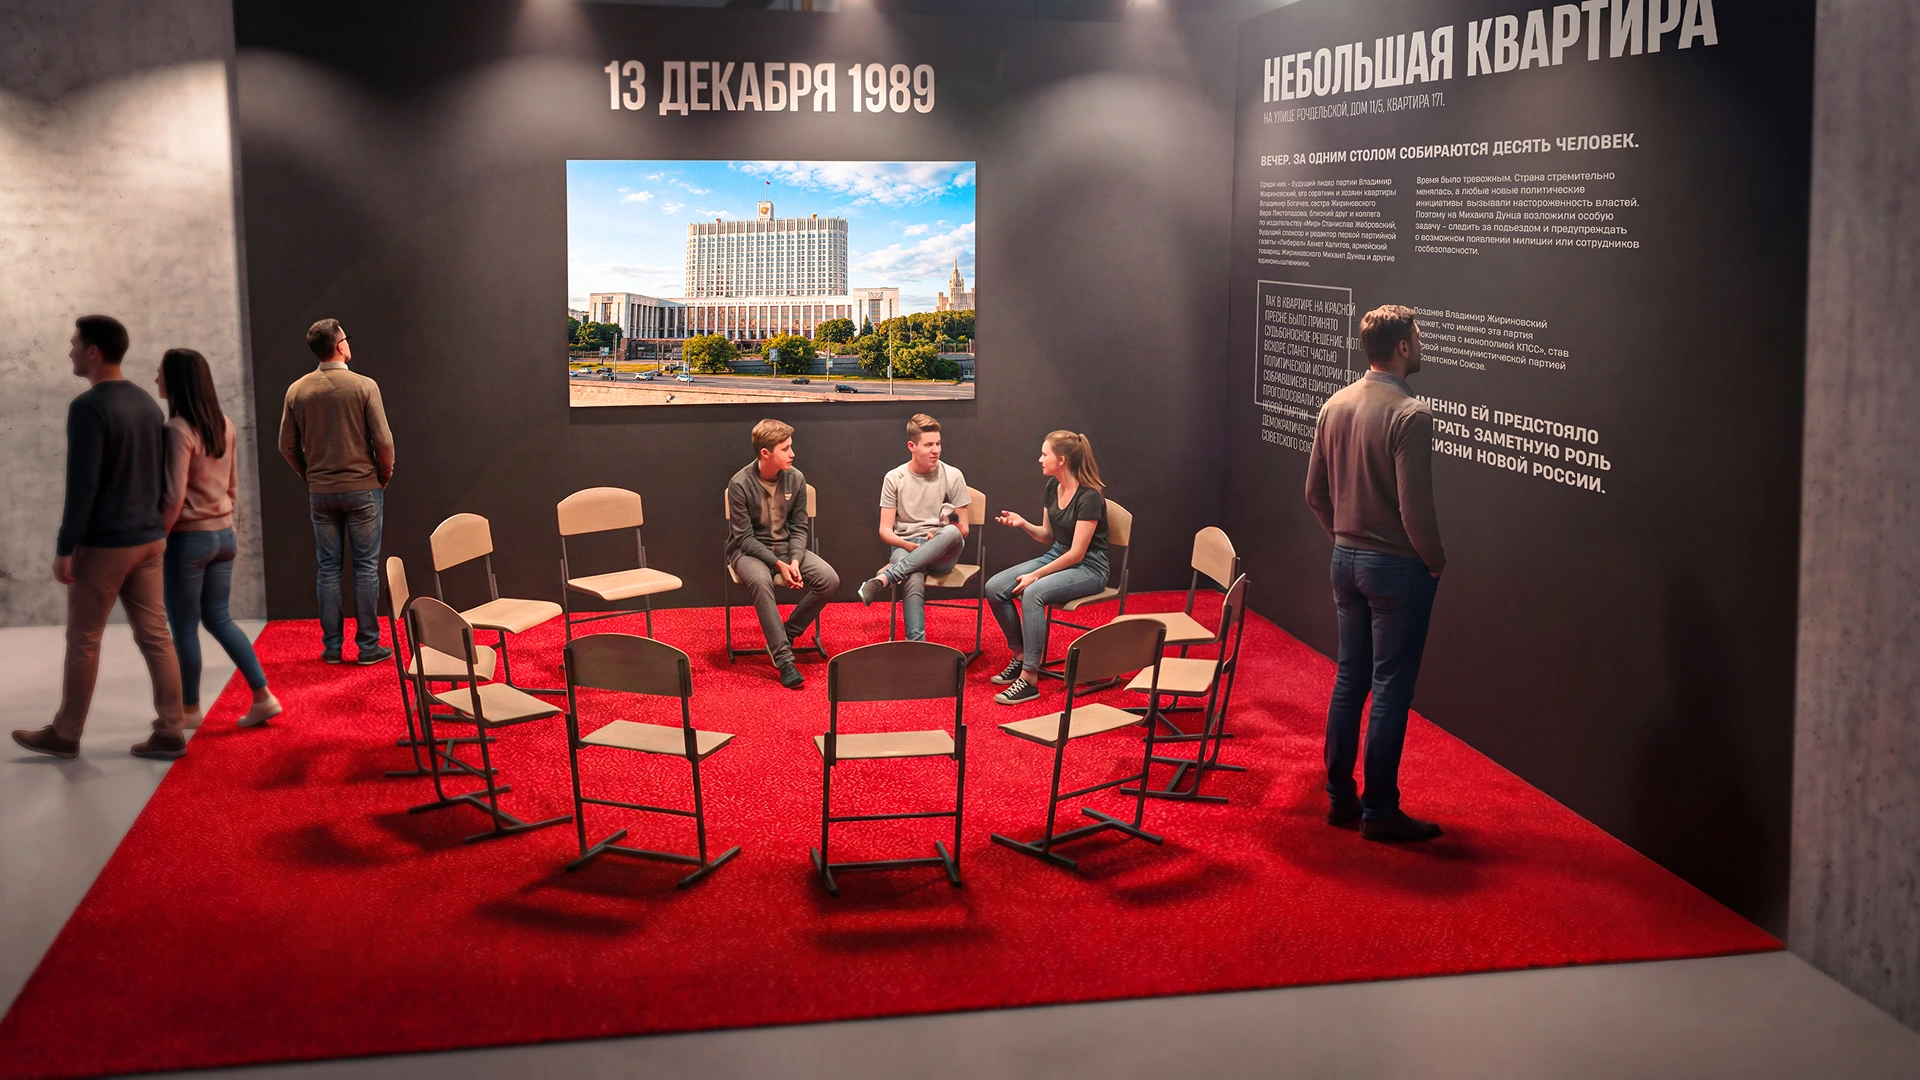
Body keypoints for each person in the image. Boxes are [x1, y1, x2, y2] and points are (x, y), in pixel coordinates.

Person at [12, 316, 188, 760]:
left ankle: (66, 733)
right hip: (149, 540)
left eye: (75, 343)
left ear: (93, 351)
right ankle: (171, 730)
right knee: (156, 636)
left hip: (107, 544)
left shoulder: (88, 407)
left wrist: (65, 547)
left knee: (84, 639)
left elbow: (82, 486)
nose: (70, 351)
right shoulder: (147, 403)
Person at [1305, 304, 1446, 843]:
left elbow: (1314, 493)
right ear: (1403, 347)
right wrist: (1434, 559)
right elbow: (1415, 510)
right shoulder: (1412, 414)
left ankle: (1341, 797)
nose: (1422, 345)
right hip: (1396, 568)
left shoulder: (1335, 404)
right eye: (1419, 337)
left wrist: (1342, 537)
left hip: (1345, 560)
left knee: (1350, 678)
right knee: (1390, 687)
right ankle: (1381, 811)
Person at [157, 349, 281, 729]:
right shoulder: (223, 424)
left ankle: (190, 710)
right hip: (224, 536)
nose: (156, 379)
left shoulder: (177, 430)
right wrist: (226, 526)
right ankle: (263, 696)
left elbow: (173, 496)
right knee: (220, 619)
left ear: (177, 381)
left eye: (161, 373)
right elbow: (232, 486)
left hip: (188, 540)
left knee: (185, 627)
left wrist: (157, 538)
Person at [278, 318, 394, 665]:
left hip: (321, 491)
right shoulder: (364, 386)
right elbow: (384, 440)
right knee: (365, 568)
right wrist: (384, 473)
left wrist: (309, 473)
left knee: (327, 568)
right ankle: (368, 646)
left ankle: (331, 647)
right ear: (340, 346)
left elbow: (286, 445)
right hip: (363, 489)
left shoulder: (297, 390)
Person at [984, 431, 1111, 706]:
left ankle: (1030, 678)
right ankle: (1021, 656)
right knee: (995, 587)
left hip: (1090, 567)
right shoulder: (1053, 486)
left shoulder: (1089, 497)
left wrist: (1036, 575)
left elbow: (1078, 553)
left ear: (1062, 459)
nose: (1040, 459)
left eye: (1045, 454)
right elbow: (1048, 536)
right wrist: (1023, 524)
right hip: (1058, 554)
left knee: (1033, 593)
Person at [726, 419, 839, 689]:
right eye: (785, 449)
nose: (792, 453)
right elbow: (745, 539)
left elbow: (799, 528)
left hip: (787, 547)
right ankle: (785, 659)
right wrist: (779, 565)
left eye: (791, 447)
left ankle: (786, 635)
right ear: (765, 453)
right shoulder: (739, 483)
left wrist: (795, 560)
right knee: (761, 581)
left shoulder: (796, 478)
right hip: (748, 551)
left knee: (829, 580)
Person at [855, 413, 971, 642]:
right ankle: (917, 647)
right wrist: (909, 546)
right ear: (912, 446)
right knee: (913, 576)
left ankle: (885, 578)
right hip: (906, 546)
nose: (936, 450)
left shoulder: (953, 475)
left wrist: (942, 531)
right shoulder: (894, 478)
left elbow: (963, 529)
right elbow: (885, 531)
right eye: (928, 445)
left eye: (938, 444)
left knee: (951, 532)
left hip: (941, 550)